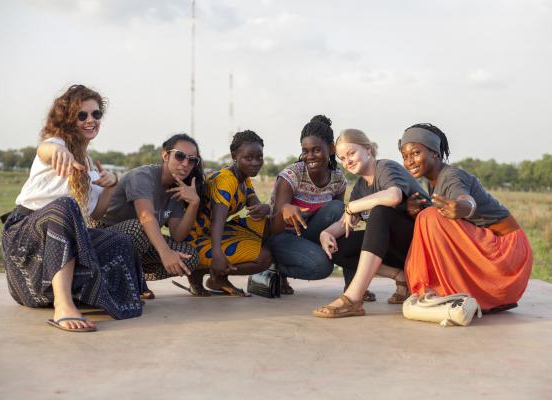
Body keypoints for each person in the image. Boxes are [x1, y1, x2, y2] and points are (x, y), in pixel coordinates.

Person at [1, 84, 144, 332]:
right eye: (82, 115)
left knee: (120, 240)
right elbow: (45, 149)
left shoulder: (88, 164)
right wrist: (58, 151)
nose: (91, 120)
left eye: (96, 114)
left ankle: (87, 295)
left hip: (57, 247)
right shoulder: (56, 143)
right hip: (25, 243)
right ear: (69, 119)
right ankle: (62, 305)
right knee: (65, 207)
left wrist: (111, 185)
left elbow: (97, 213)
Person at [399, 123, 532, 312]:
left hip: (508, 256)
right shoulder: (433, 183)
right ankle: (464, 292)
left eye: (415, 153)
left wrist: (462, 207)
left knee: (429, 217)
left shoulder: (452, 175)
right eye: (405, 156)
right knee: (425, 216)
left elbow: (465, 199)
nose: (409, 161)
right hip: (498, 257)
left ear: (435, 153)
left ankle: (451, 291)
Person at [313, 128, 427, 318]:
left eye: (351, 153)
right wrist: (326, 233)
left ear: (367, 149)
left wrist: (352, 207)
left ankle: (353, 299)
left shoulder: (385, 168)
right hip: (399, 251)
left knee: (380, 212)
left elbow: (393, 196)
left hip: (423, 245)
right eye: (342, 158)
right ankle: (401, 276)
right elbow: (345, 222)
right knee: (338, 246)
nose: (347, 161)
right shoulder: (359, 188)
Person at [267, 115, 371, 297]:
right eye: (305, 151)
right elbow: (274, 229)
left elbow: (340, 222)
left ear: (331, 149)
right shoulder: (291, 175)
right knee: (322, 267)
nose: (309, 156)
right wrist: (284, 210)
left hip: (310, 234)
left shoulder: (338, 178)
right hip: (283, 237)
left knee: (340, 210)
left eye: (316, 150)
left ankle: (353, 286)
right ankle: (272, 267)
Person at [95, 134, 202, 297]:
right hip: (101, 236)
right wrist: (165, 253)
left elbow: (178, 235)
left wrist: (194, 203)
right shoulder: (143, 177)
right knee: (140, 228)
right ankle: (123, 281)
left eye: (192, 160)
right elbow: (146, 217)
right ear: (165, 155)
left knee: (190, 257)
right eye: (180, 156)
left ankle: (133, 277)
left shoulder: (177, 189)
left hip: (138, 243)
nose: (186, 164)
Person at [182, 130, 273, 296]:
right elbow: (218, 220)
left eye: (259, 157)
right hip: (194, 240)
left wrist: (267, 208)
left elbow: (256, 209)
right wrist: (217, 255)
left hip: (212, 233)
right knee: (264, 258)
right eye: (249, 158)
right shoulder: (227, 180)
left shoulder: (243, 177)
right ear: (234, 156)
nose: (255, 163)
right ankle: (213, 275)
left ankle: (211, 275)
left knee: (269, 223)